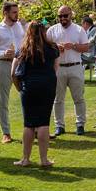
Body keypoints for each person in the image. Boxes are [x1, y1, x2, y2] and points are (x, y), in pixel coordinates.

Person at [12, 21, 59, 167]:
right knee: (44, 122)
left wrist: (19, 88)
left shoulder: (23, 49)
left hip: (29, 87)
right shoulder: (53, 47)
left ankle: (25, 159)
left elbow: (13, 72)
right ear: (44, 31)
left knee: (29, 123)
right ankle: (44, 159)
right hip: (47, 86)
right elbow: (55, 68)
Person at [0, 1, 25, 144]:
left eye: (17, 11)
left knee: (28, 96)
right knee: (3, 99)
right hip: (4, 65)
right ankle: (6, 133)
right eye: (14, 12)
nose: (17, 14)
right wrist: (3, 53)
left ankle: (35, 129)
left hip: (22, 64)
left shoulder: (20, 26)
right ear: (5, 13)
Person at [47, 5, 90, 137]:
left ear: (71, 15)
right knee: (57, 99)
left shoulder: (78, 30)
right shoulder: (52, 30)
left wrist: (74, 46)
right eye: (60, 16)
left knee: (78, 98)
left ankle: (80, 124)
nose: (63, 18)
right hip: (58, 68)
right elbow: (45, 48)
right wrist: (56, 48)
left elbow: (87, 47)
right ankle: (59, 125)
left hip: (75, 66)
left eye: (65, 15)